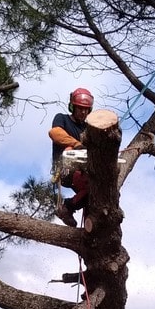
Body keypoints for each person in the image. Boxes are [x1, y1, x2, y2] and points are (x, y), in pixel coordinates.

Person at [49, 87, 94, 226]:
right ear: (72, 107)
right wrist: (76, 144)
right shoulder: (62, 118)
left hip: (85, 170)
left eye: (86, 109)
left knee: (96, 192)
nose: (83, 112)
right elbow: (55, 133)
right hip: (66, 169)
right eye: (80, 108)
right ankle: (67, 207)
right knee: (69, 150)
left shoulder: (89, 129)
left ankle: (69, 209)